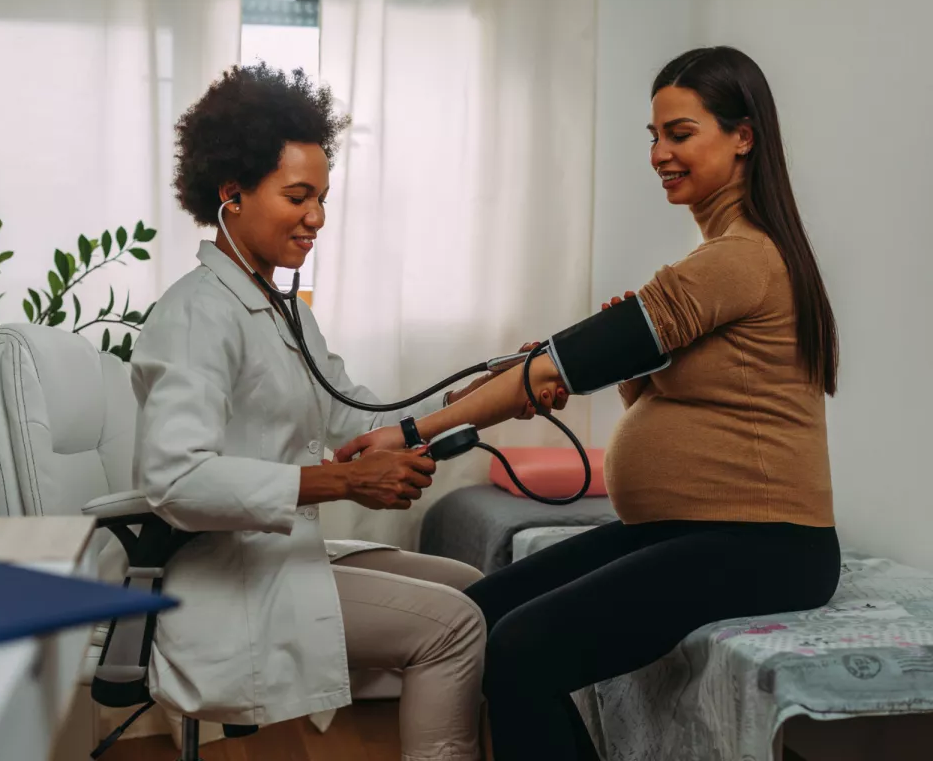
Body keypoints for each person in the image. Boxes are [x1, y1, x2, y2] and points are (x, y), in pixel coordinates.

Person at [335, 46, 843, 760]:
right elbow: (675, 392)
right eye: (654, 136)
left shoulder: (740, 259)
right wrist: (621, 373)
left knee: (522, 648)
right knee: (476, 616)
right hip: (687, 528)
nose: (661, 153)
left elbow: (560, 363)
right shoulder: (725, 258)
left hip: (766, 545)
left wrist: (412, 432)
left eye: (681, 133)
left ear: (743, 136)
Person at [130, 62, 559, 760]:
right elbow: (174, 481)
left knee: (474, 590)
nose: (317, 218)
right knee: (452, 626)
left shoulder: (277, 311)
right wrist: (340, 482)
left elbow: (359, 416)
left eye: (324, 198)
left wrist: (484, 394)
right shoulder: (195, 316)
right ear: (231, 192)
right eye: (299, 196)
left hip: (269, 556)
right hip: (223, 578)